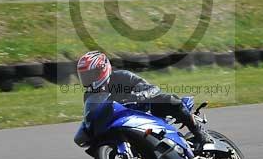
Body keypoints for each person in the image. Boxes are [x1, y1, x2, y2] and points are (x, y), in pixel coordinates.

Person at [76, 50, 214, 152]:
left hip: (145, 109)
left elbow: (152, 88)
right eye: (85, 76)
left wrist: (140, 95)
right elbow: (93, 113)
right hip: (122, 121)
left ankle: (200, 134)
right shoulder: (89, 95)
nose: (88, 80)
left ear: (103, 70)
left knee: (171, 101)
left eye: (90, 75)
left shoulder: (122, 77)